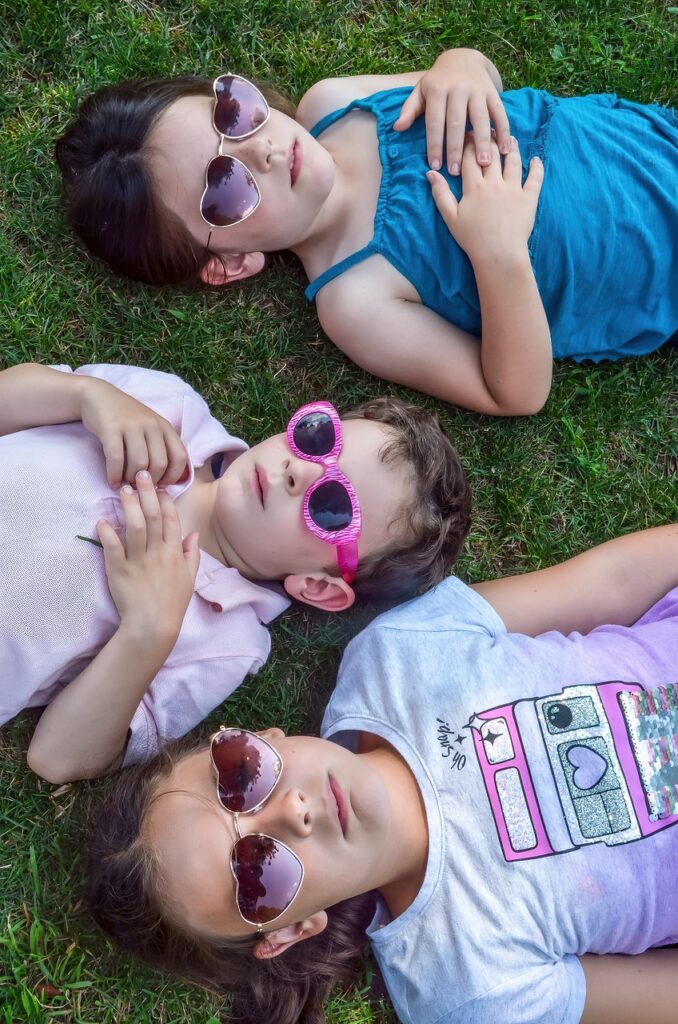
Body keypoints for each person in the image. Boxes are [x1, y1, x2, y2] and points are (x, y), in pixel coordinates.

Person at [87, 523, 678, 1024]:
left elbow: (611, 582)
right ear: (290, 931)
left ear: (263, 736)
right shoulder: (465, 984)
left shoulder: (395, 655)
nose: (292, 811)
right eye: (255, 874)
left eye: (241, 775)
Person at [55, 48, 678, 415]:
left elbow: (482, 79)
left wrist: (457, 65)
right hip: (657, 267)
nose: (264, 151)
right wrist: (500, 255)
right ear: (230, 262)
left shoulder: (337, 103)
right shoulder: (355, 302)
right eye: (226, 186)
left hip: (654, 142)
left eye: (233, 113)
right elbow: (515, 392)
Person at [0, 362, 469, 782]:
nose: (298, 472)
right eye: (317, 438)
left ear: (319, 586)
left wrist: (149, 629)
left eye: (331, 507)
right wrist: (87, 396)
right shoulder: (168, 406)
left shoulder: (226, 643)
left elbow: (58, 757)